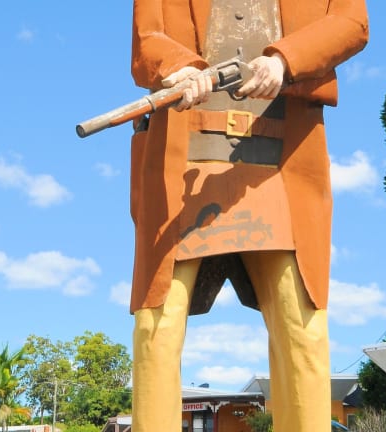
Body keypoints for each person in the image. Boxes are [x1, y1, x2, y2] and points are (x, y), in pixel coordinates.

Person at [127, 1, 369, 432]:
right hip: (182, 164)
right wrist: (180, 67)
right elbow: (148, 39)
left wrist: (284, 60)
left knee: (302, 325)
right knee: (156, 326)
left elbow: (351, 22)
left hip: (282, 165)